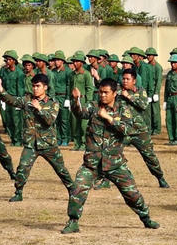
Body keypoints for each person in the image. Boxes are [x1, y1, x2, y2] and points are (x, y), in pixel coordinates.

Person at [61, 78, 159, 234]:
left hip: (115, 163)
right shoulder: (94, 107)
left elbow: (128, 130)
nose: (102, 95)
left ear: (114, 93)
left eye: (106, 92)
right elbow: (80, 112)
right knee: (77, 189)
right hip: (92, 163)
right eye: (100, 92)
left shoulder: (124, 110)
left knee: (132, 194)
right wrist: (75, 100)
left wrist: (109, 119)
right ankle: (73, 221)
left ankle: (146, 218)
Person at [0, 72, 75, 202]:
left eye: (38, 86)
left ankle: (72, 190)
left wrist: (39, 109)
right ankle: (18, 192)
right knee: (22, 168)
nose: (35, 89)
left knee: (61, 169)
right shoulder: (27, 100)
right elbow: (11, 100)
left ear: (45, 87)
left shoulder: (53, 102)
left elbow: (50, 120)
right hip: (31, 143)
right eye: (33, 86)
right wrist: (0, 88)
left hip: (48, 143)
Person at [116, 69, 170, 188]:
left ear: (134, 80)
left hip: (139, 130)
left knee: (149, 156)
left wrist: (129, 97)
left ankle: (160, 177)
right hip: (122, 130)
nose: (125, 81)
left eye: (128, 79)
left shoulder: (140, 91)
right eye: (123, 79)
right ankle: (104, 179)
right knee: (111, 153)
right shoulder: (117, 91)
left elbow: (144, 105)